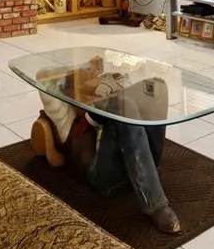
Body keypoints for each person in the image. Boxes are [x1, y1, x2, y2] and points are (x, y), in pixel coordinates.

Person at [31, 70, 181, 234]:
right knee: (123, 104)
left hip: (136, 158)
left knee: (155, 86)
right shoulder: (66, 118)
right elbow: (43, 77)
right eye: (76, 87)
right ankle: (155, 204)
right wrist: (91, 113)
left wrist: (98, 104)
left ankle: (150, 170)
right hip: (103, 176)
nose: (84, 91)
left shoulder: (102, 103)